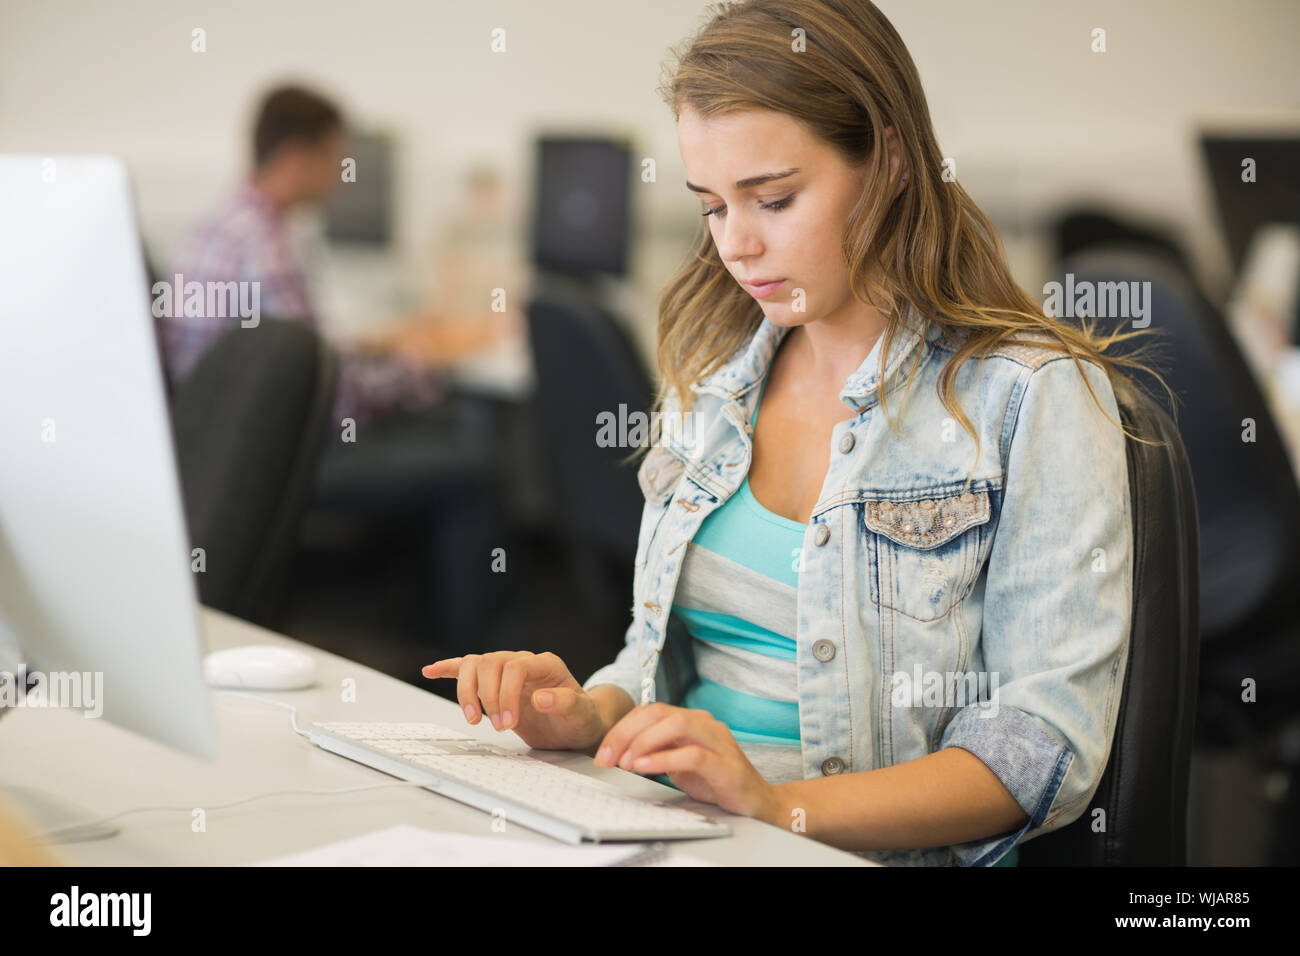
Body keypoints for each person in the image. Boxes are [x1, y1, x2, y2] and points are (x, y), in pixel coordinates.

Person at [421, 0, 1171, 866]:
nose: (736, 245)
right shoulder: (711, 378)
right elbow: (658, 657)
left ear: (889, 161)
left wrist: (781, 807)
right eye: (711, 207)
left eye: (772, 198)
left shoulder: (1033, 395)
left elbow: (1042, 751)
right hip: (666, 831)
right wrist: (588, 715)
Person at [158, 83, 445, 426]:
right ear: (296, 158)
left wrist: (379, 350)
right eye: (335, 159)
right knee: (458, 432)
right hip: (259, 445)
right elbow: (335, 400)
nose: (342, 176)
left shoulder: (218, 223)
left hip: (209, 438)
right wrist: (421, 367)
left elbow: (306, 358)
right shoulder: (265, 249)